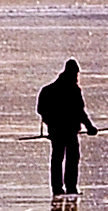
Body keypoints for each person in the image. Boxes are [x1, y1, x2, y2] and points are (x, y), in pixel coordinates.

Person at [35, 59, 90, 198]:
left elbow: (41, 109)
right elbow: (80, 111)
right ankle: (70, 186)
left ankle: (58, 187)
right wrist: (90, 127)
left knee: (58, 158)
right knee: (70, 158)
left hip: (57, 131)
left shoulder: (49, 90)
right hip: (68, 130)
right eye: (76, 73)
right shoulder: (73, 90)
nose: (77, 77)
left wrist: (50, 122)